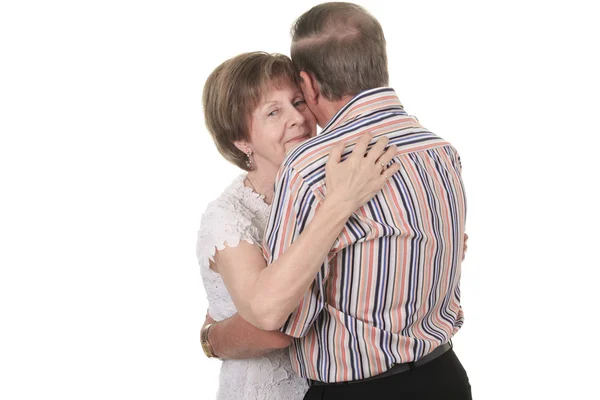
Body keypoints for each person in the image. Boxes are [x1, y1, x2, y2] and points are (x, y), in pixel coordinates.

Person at [256, 3, 471, 399]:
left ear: (309, 83)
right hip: (446, 378)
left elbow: (287, 318)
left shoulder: (310, 165)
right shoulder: (441, 152)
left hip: (358, 391)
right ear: (379, 62)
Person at [197, 51, 399, 400]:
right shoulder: (229, 218)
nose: (297, 119)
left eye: (298, 102)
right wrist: (210, 340)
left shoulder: (332, 184)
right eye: (273, 112)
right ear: (241, 140)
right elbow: (274, 328)